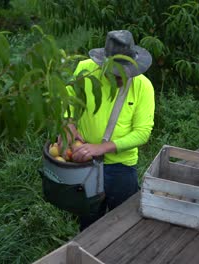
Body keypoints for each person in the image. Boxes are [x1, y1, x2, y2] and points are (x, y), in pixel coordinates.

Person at [64, 30, 155, 230]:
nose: (119, 79)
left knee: (123, 222)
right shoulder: (85, 70)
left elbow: (142, 132)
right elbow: (68, 102)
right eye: (114, 73)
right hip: (86, 161)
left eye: (125, 74)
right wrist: (69, 125)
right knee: (89, 220)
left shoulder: (143, 87)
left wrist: (101, 148)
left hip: (121, 167)